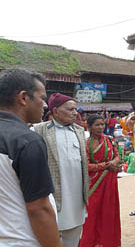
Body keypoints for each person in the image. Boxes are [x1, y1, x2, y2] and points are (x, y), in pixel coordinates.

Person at [0, 68, 61, 246]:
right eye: (42, 98)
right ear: (23, 98)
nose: (45, 105)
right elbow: (39, 209)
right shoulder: (27, 142)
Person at [33, 92, 90, 247]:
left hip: (77, 197)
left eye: (76, 109)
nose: (75, 113)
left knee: (74, 236)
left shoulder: (80, 132)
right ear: (55, 111)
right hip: (54, 196)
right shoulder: (38, 131)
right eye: (70, 109)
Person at [79, 114, 122, 246]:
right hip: (93, 184)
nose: (100, 127)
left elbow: (117, 156)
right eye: (97, 125)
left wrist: (114, 162)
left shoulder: (109, 140)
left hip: (109, 183)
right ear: (89, 127)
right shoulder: (85, 144)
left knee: (108, 212)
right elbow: (86, 166)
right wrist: (105, 166)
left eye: (102, 124)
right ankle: (91, 242)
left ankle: (107, 241)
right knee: (91, 213)